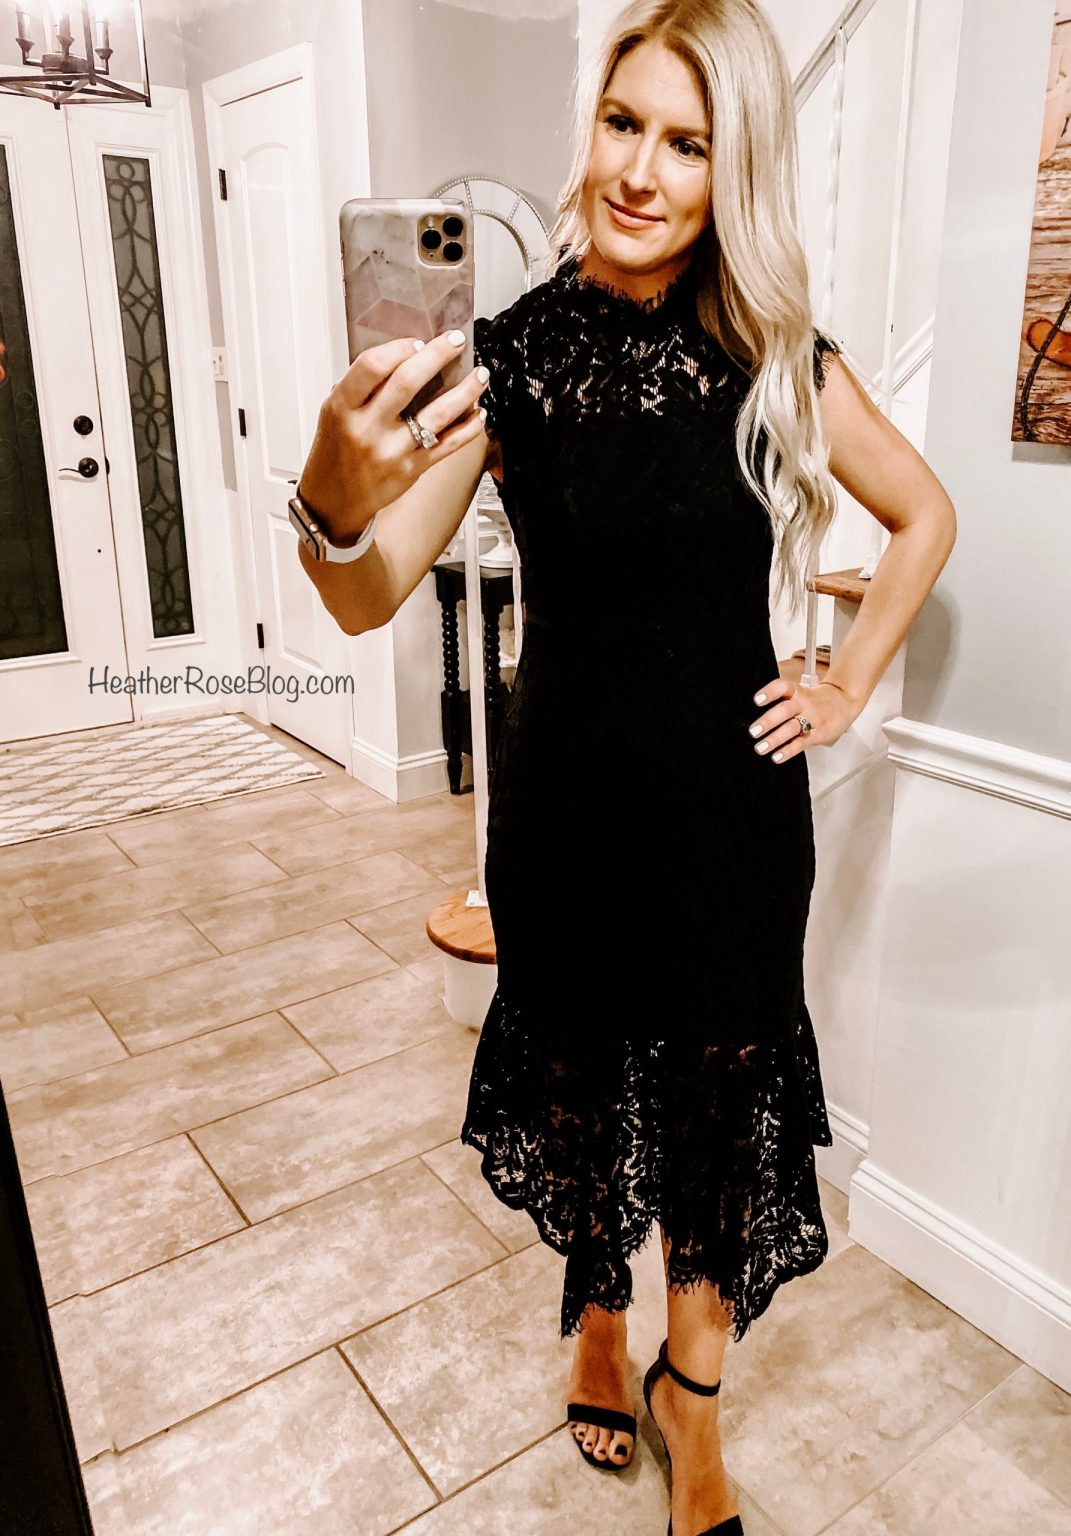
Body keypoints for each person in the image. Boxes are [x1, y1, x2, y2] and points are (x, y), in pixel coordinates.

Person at [293, 3, 957, 1530]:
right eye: (623, 123)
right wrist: (330, 491)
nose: (642, 171)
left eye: (688, 142)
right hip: (566, 815)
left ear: (736, 170)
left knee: (721, 1116)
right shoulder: (511, 360)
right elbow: (367, 591)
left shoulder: (774, 356)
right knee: (589, 1087)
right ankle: (600, 1323)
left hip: (733, 819)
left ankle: (692, 1396)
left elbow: (923, 512)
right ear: (589, 126)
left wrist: (848, 679)